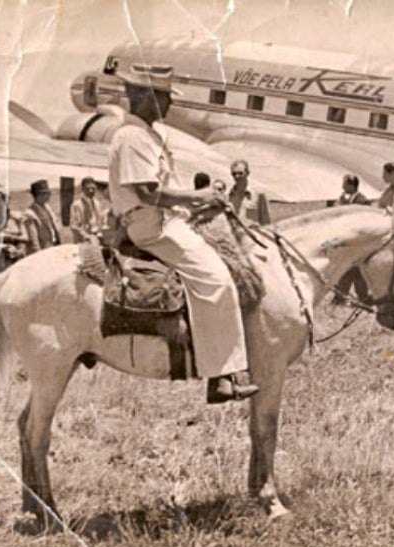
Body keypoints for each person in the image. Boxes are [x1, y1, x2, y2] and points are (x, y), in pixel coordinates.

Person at [109, 63, 257, 404]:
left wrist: (196, 206)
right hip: (152, 225)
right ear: (145, 97)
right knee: (217, 279)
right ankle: (220, 376)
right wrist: (198, 196)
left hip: (163, 219)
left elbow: (163, 190)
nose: (170, 105)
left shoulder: (147, 136)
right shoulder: (132, 138)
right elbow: (146, 194)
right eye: (164, 97)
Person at [332, 174, 370, 305]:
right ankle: (353, 296)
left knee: (354, 269)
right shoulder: (342, 199)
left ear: (352, 185)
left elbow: (360, 220)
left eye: (345, 184)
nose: (342, 187)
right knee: (347, 268)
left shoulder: (363, 201)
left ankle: (346, 296)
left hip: (356, 241)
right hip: (344, 240)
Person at [23, 179, 62, 254]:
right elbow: (34, 240)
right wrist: (39, 255)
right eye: (46, 194)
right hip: (43, 251)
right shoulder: (29, 214)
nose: (49, 196)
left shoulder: (47, 208)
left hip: (53, 247)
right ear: (39, 195)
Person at [69, 176, 106, 243]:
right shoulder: (77, 205)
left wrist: (100, 233)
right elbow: (74, 226)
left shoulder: (97, 203)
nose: (91, 191)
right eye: (87, 188)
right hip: (84, 240)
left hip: (98, 237)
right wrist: (86, 237)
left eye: (93, 188)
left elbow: (101, 220)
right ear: (82, 189)